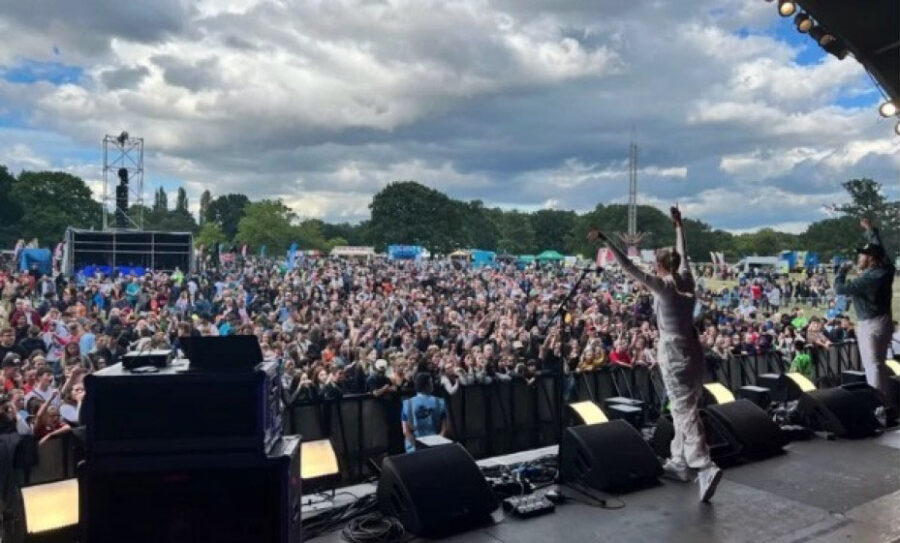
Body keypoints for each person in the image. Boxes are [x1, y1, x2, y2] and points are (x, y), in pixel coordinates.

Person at [588, 205, 722, 503]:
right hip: (693, 345)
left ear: (660, 265)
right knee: (680, 406)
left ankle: (704, 466)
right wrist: (679, 226)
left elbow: (629, 268)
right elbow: (683, 253)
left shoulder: (664, 287)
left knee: (684, 408)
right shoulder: (686, 278)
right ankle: (679, 460)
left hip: (674, 349)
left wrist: (607, 240)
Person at [834, 218, 895, 398]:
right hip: (882, 321)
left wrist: (841, 272)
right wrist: (869, 230)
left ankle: (880, 405)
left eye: (861, 255)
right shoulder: (886, 269)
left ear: (870, 258)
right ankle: (886, 402)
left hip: (871, 324)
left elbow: (840, 289)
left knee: (873, 366)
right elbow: (878, 247)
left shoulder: (870, 279)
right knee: (879, 365)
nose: (858, 258)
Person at [401, 372, 448, 452]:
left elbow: (405, 431)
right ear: (427, 385)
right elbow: (445, 428)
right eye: (431, 382)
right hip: (435, 445)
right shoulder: (439, 402)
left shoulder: (407, 403)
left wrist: (416, 446)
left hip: (414, 447)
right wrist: (436, 443)